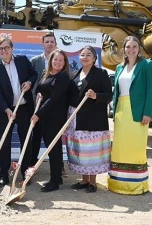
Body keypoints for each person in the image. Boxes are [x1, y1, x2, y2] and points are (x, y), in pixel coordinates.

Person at [0, 37, 38, 187]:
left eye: (6, 48)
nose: (3, 51)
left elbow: (34, 74)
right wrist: (6, 109)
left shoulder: (22, 60)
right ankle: (3, 175)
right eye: (1, 49)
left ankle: (24, 172)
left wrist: (30, 82)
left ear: (12, 48)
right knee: (4, 142)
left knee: (26, 141)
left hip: (24, 108)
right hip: (7, 111)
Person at [108, 36, 152, 195]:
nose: (131, 49)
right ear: (124, 49)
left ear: (139, 49)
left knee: (135, 148)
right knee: (120, 148)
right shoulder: (119, 67)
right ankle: (117, 183)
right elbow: (117, 92)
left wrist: (148, 112)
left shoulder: (147, 65)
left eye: (135, 46)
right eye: (128, 47)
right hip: (121, 112)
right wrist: (115, 112)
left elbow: (150, 90)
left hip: (138, 112)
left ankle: (135, 185)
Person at [66, 46, 112, 193]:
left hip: (93, 120)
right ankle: (84, 180)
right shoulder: (74, 74)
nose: (85, 57)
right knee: (81, 151)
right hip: (76, 119)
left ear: (94, 58)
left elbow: (109, 95)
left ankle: (93, 182)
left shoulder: (101, 73)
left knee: (92, 152)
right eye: (82, 55)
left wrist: (96, 96)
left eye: (88, 55)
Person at [31, 49, 70, 192]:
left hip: (55, 117)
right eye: (55, 59)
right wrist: (39, 95)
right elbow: (40, 90)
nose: (58, 62)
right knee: (51, 146)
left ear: (64, 62)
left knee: (53, 148)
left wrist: (37, 115)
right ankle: (57, 177)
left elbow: (54, 99)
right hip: (44, 116)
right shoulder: (45, 74)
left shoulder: (63, 77)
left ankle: (54, 181)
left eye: (61, 60)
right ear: (50, 60)